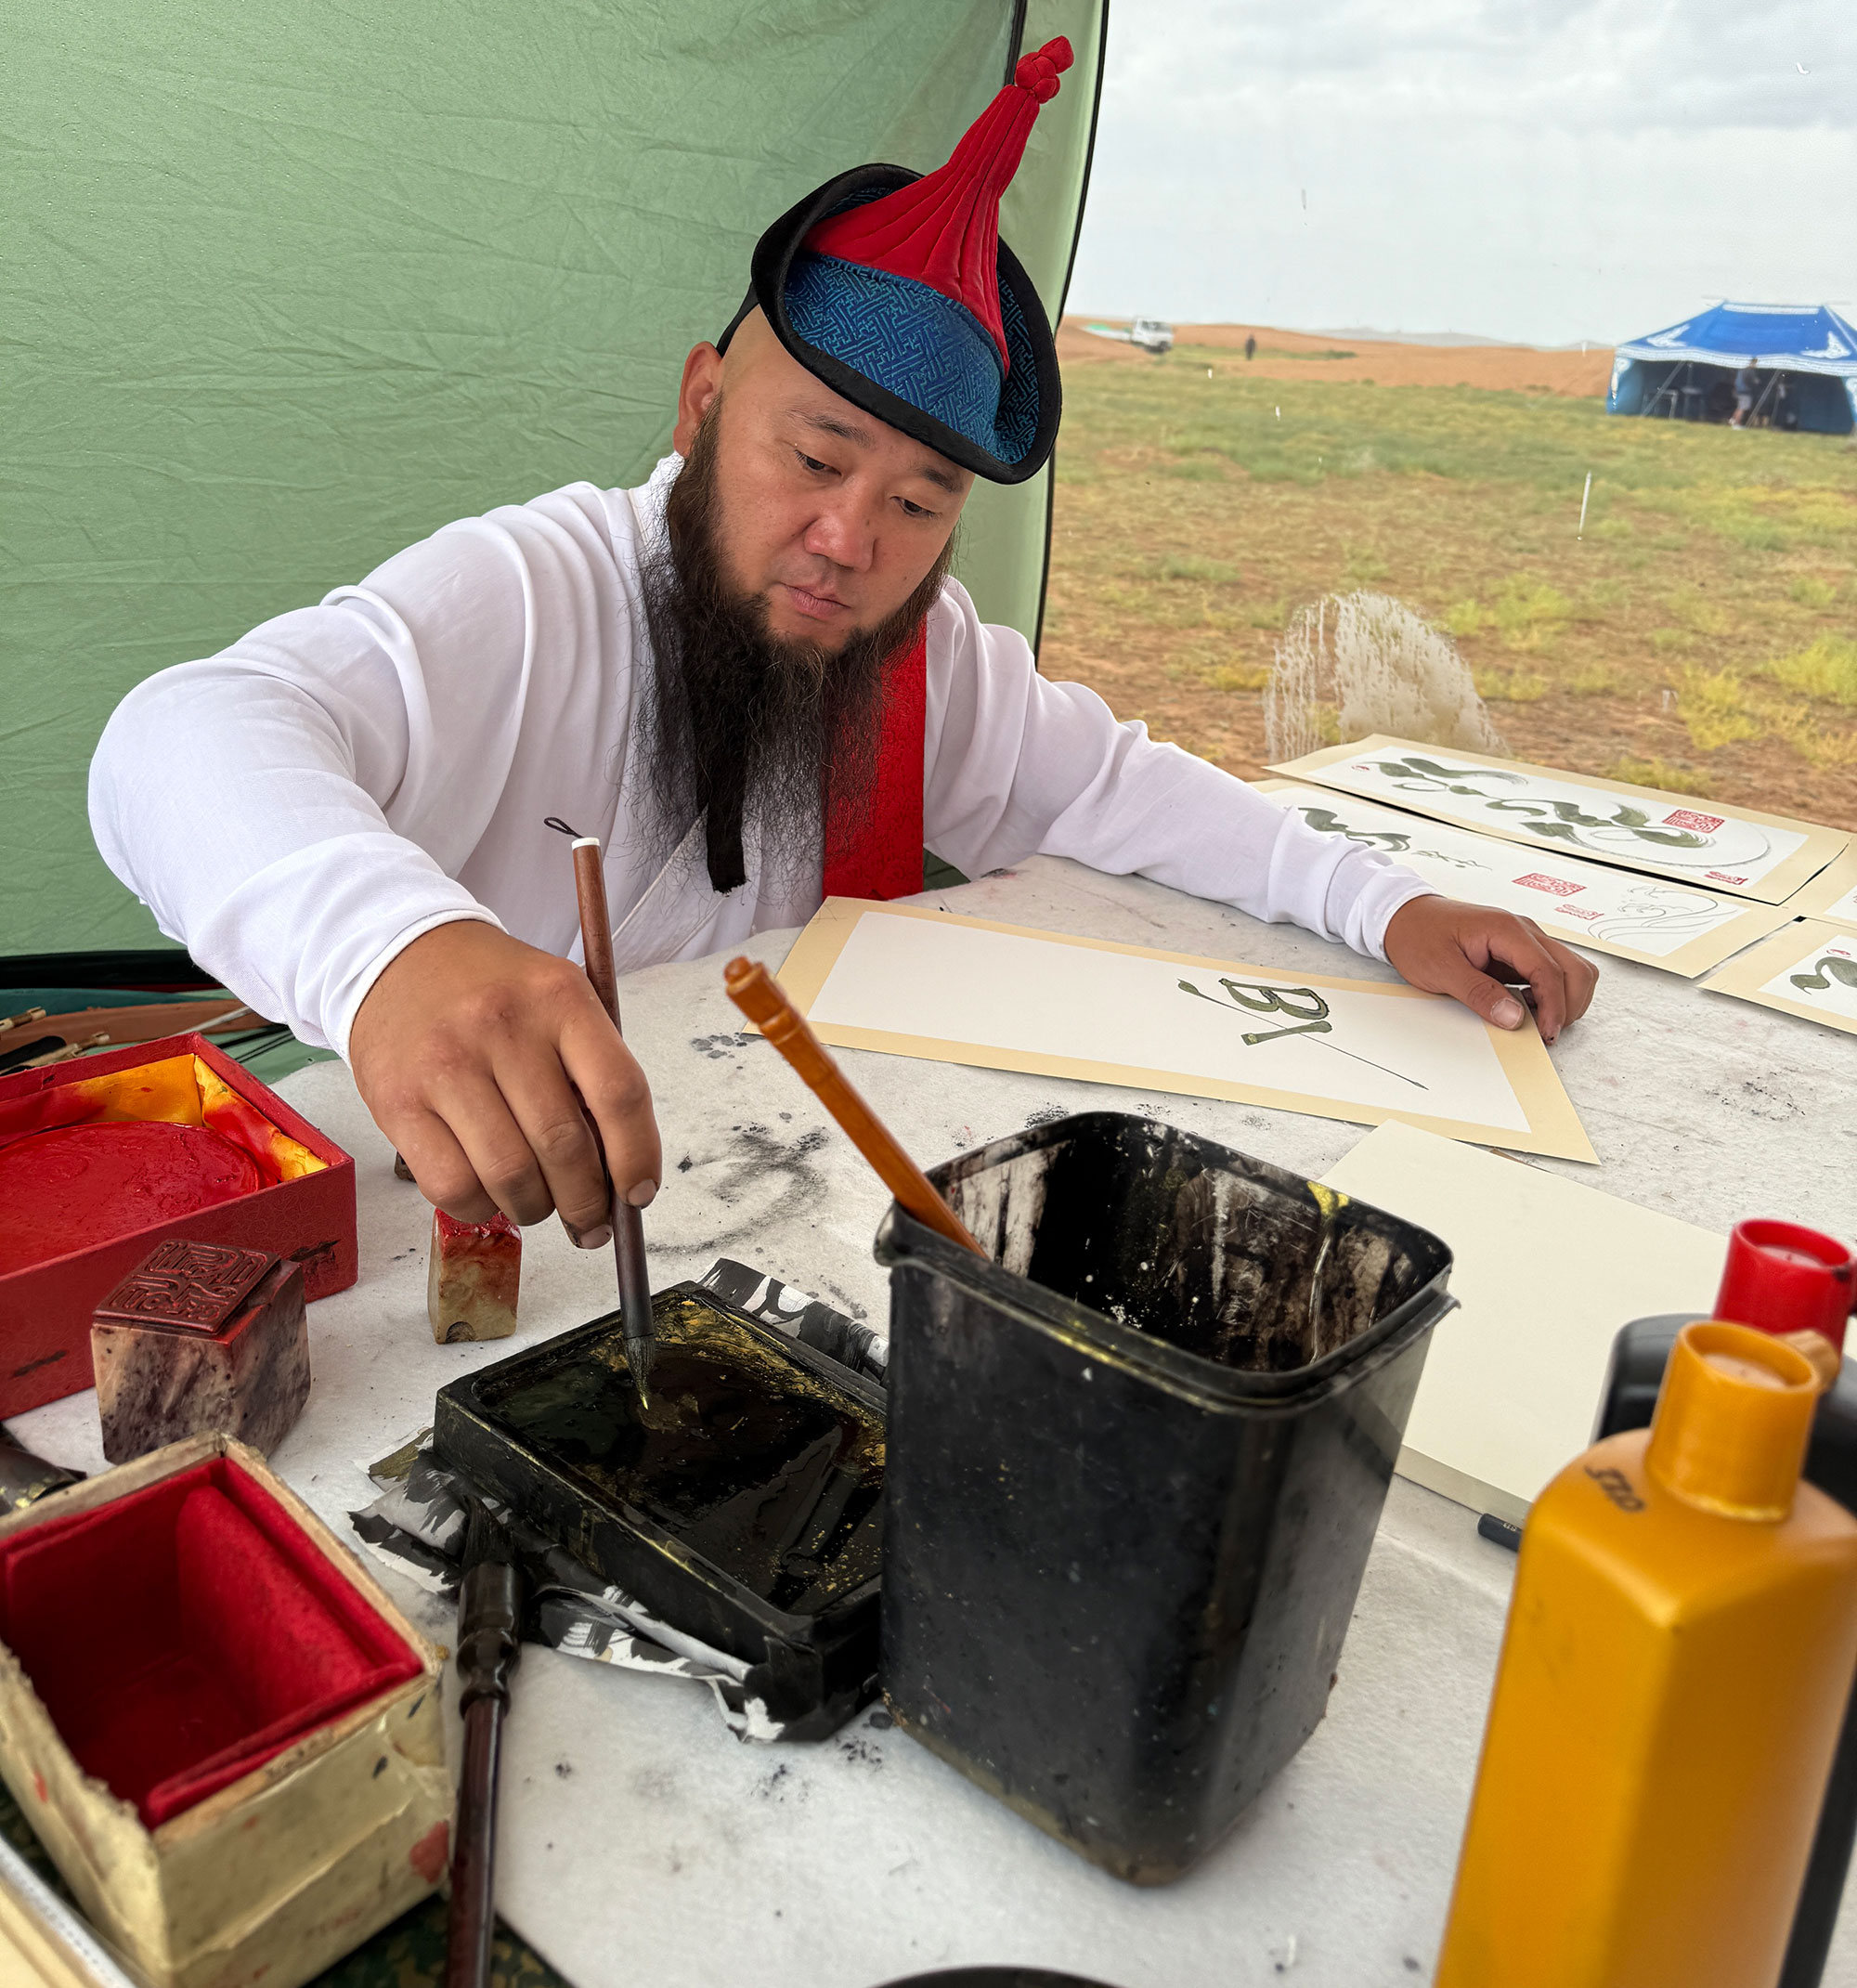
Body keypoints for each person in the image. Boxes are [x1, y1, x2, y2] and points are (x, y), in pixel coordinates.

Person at [89, 39, 1596, 1251]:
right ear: (700, 406)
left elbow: (1113, 788)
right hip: (459, 1219)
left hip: (743, 1192)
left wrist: (1382, 902)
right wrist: (391, 952)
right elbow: (179, 734)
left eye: (919, 502)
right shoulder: (537, 587)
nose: (849, 540)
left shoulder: (910, 655)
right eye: (813, 459)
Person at [1732, 357, 1760, 426]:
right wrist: (1755, 382)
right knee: (1743, 408)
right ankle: (1737, 423)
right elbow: (1749, 381)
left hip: (1738, 391)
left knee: (1739, 407)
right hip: (1745, 392)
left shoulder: (1742, 370)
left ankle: (1732, 420)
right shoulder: (1750, 371)